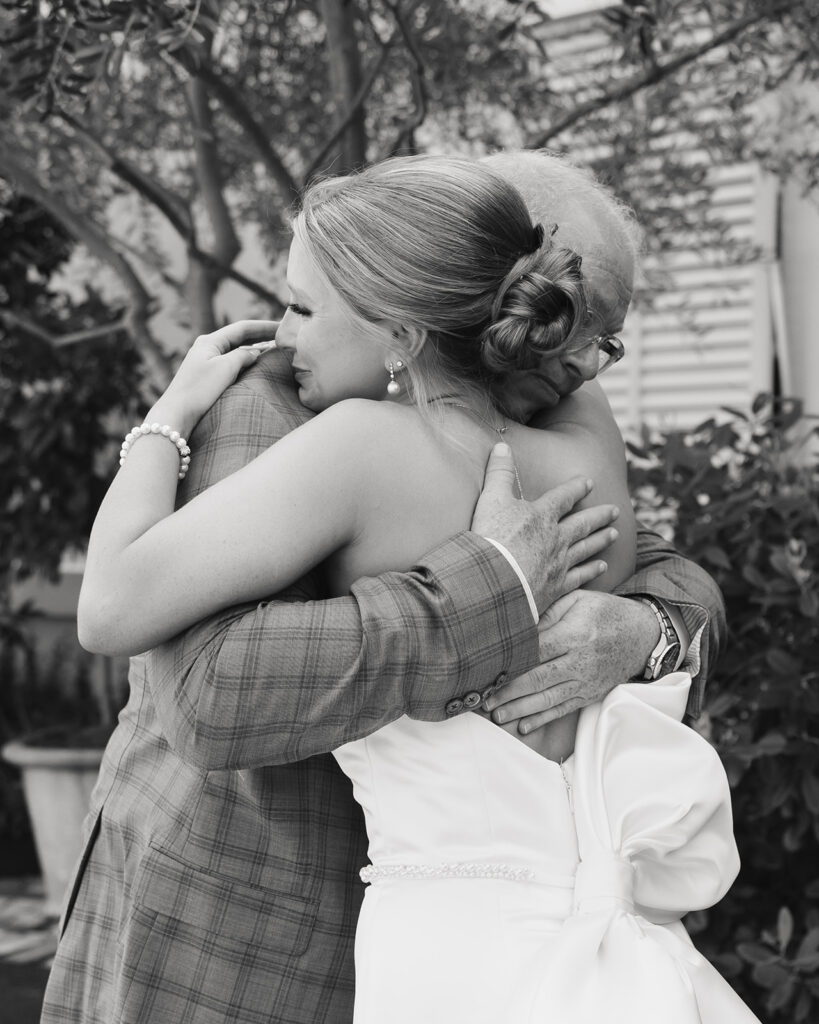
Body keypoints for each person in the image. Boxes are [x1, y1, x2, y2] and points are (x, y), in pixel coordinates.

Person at [42, 153, 726, 1024]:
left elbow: (676, 578)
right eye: (567, 311)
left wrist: (644, 631)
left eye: (599, 334)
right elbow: (208, 693)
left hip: (433, 939)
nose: (583, 358)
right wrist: (494, 583)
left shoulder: (406, 437)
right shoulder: (282, 404)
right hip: (232, 930)